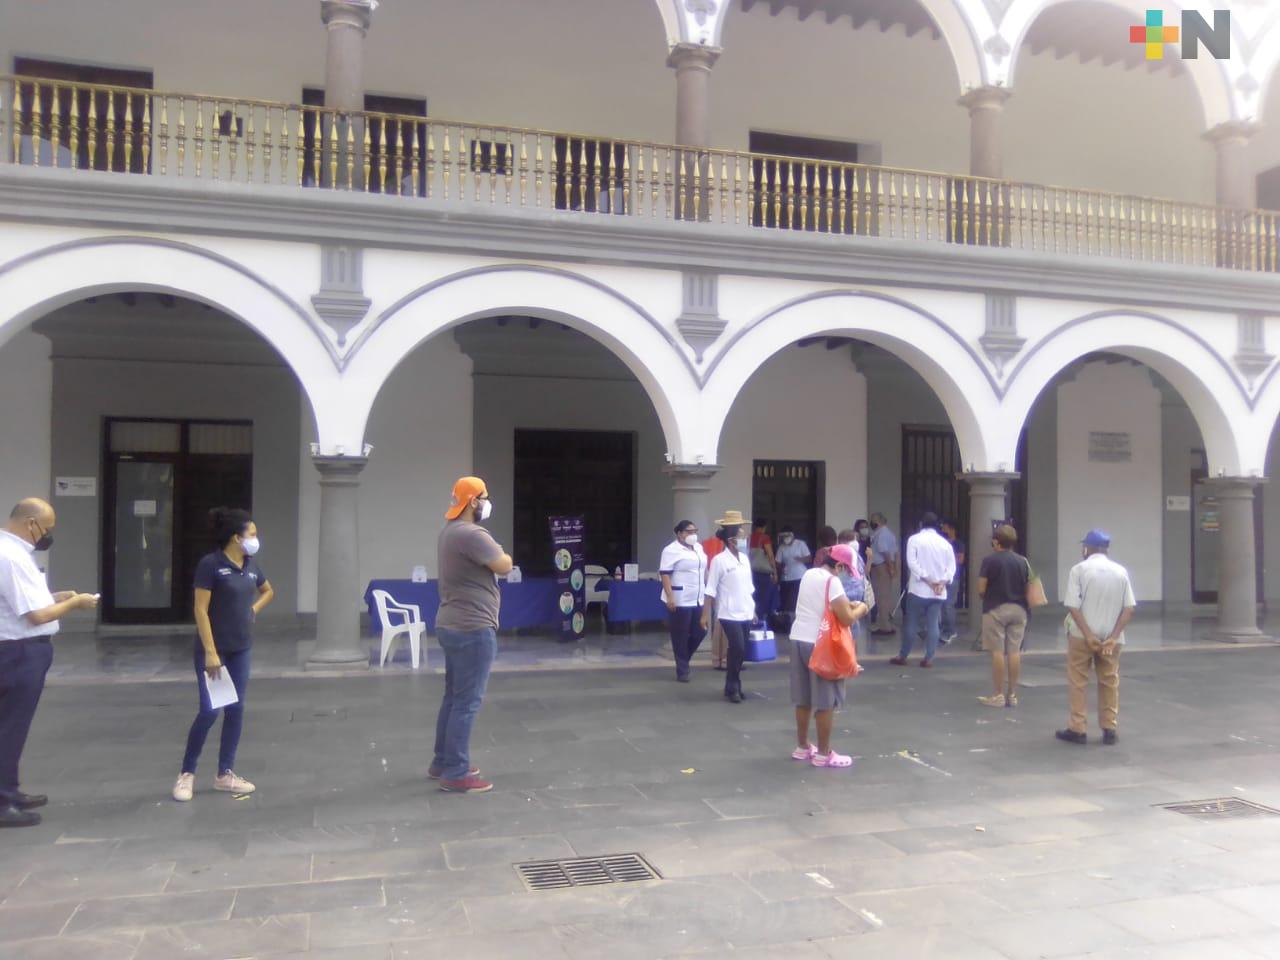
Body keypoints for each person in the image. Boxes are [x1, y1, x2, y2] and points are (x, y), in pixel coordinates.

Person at [0, 499, 98, 827]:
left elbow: (26, 603)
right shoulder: (11, 556)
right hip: (18, 652)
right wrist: (75, 604)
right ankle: (3, 801)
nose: (48, 535)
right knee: (10, 728)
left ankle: (10, 790)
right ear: (31, 523)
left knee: (11, 726)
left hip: (19, 650)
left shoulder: (12, 552)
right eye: (47, 528)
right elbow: (36, 616)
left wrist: (56, 598)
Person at [173, 507, 274, 802]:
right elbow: (200, 610)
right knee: (210, 710)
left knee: (236, 708)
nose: (255, 539)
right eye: (252, 534)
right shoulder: (211, 565)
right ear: (236, 537)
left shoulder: (251, 566)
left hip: (241, 648)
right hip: (215, 651)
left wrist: (253, 610)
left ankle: (225, 773)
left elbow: (268, 591)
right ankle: (186, 773)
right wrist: (210, 652)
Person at [432, 477, 513, 793]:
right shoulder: (472, 533)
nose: (488, 503)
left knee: (454, 697)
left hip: (451, 623)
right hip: (472, 627)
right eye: (485, 497)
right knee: (467, 701)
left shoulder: (450, 531)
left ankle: (443, 760)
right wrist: (503, 554)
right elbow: (504, 565)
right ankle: (456, 771)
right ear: (474, 502)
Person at [789, 544, 868, 769]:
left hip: (798, 638)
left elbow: (823, 605)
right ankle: (824, 754)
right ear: (839, 565)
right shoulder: (832, 581)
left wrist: (846, 606)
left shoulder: (809, 574)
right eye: (846, 570)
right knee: (826, 700)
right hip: (820, 644)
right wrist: (861, 609)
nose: (846, 575)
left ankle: (802, 746)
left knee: (803, 697)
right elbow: (846, 618)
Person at [1056, 529, 1135, 746]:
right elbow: (1129, 608)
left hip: (1081, 636)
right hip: (1111, 638)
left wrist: (1089, 635)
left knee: (1078, 680)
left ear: (1087, 548)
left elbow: (1073, 606)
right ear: (1106, 549)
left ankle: (1078, 728)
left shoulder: (1079, 570)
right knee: (1109, 680)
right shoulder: (1121, 571)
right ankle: (1110, 728)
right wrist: (1114, 637)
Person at [890, 512, 955, 668]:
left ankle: (903, 655)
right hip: (938, 591)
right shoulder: (945, 543)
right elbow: (951, 568)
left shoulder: (914, 540)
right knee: (933, 623)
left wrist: (928, 580)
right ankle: (929, 658)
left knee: (911, 623)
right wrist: (941, 582)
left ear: (921, 524)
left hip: (918, 589)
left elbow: (912, 564)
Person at [701, 518, 755, 704]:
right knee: (737, 646)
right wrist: (705, 614)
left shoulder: (745, 559)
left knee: (741, 650)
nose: (745, 540)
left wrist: (753, 610)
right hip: (728, 612)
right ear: (731, 541)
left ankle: (733, 683)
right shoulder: (719, 560)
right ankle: (733, 685)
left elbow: (748, 587)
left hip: (746, 610)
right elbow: (710, 589)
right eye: (741, 537)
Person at [975, 524, 1029, 708]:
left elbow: (981, 588)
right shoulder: (1023, 561)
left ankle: (998, 695)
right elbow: (1029, 586)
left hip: (995, 608)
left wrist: (985, 595)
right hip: (1019, 609)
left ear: (996, 542)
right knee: (1014, 651)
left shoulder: (990, 560)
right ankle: (1012, 695)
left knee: (997, 651)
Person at [660, 520, 707, 682]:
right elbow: (665, 573)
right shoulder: (671, 550)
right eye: (688, 531)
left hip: (698, 597)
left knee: (700, 631)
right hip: (680, 598)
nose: (692, 534)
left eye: (694, 531)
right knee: (680, 634)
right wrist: (670, 596)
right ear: (679, 534)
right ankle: (682, 670)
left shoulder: (698, 547)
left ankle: (683, 659)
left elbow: (704, 569)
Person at [702, 511, 735, 669]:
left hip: (726, 589)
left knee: (721, 623)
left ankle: (722, 659)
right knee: (722, 624)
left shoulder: (709, 544)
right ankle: (722, 658)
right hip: (722, 588)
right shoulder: (720, 551)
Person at [867, 513, 899, 635]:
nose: (872, 523)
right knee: (881, 596)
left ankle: (885, 626)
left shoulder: (883, 534)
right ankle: (883, 624)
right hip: (880, 567)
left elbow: (885, 552)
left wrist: (891, 568)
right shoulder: (880, 533)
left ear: (879, 521)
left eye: (874, 520)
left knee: (882, 597)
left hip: (881, 567)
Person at [773, 526, 812, 618]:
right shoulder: (782, 547)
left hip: (799, 576)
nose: (785, 538)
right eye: (783, 537)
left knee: (796, 600)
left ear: (792, 535)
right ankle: (787, 620)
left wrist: (800, 559)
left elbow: (809, 558)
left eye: (787, 536)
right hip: (786, 578)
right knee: (786, 601)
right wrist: (780, 567)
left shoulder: (800, 544)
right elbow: (777, 562)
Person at [939, 518, 966, 645]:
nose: (942, 529)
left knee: (948, 604)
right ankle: (944, 628)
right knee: (942, 604)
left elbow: (960, 560)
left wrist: (948, 559)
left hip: (953, 577)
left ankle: (950, 630)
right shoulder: (941, 543)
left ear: (951, 529)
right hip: (941, 577)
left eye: (944, 527)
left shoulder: (958, 544)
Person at [748, 518, 778, 622]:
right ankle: (762, 621)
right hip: (763, 573)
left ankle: (754, 618)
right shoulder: (765, 538)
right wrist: (775, 572)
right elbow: (770, 555)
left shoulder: (749, 537)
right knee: (765, 598)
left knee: (754, 596)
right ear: (764, 527)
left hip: (752, 571)